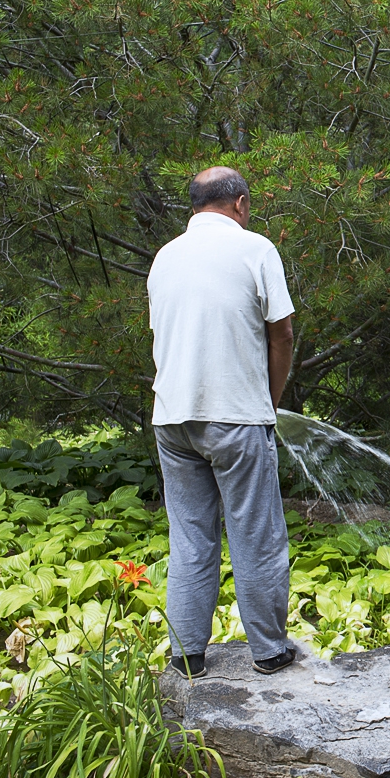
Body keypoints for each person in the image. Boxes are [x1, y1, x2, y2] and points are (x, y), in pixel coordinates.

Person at [147, 166, 297, 678]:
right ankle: (269, 652)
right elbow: (282, 335)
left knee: (190, 537)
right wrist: (269, 402)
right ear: (239, 204)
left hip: (172, 418)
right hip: (235, 416)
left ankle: (188, 656)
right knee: (256, 535)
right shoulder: (255, 249)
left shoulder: (164, 258)